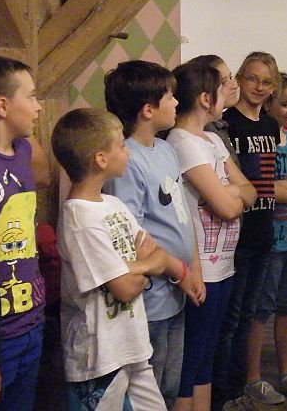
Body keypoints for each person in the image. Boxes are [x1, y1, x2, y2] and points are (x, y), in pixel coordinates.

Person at [52, 108, 187, 410]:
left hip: (131, 345)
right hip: (99, 357)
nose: (128, 152)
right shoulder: (80, 217)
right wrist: (146, 266)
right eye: (122, 146)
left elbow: (157, 255)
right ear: (101, 159)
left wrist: (135, 267)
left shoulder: (113, 204)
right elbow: (124, 288)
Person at [102, 60, 204, 408]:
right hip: (152, 299)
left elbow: (181, 217)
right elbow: (134, 234)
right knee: (150, 390)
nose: (177, 102)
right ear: (148, 110)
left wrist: (194, 269)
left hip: (177, 291)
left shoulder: (166, 150)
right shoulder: (127, 160)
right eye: (170, 96)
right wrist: (178, 272)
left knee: (170, 386)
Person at [167, 62, 256, 411]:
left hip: (224, 266)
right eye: (225, 84)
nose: (231, 89)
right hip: (199, 268)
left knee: (206, 357)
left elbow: (250, 192)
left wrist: (229, 192)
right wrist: (230, 193)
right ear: (206, 98)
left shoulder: (214, 140)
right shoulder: (181, 142)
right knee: (190, 361)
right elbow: (228, 207)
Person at [237, 74, 287, 405]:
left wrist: (286, 188)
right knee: (261, 307)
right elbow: (261, 188)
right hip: (270, 236)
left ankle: (286, 373)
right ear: (270, 104)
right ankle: (253, 377)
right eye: (284, 104)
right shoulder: (263, 141)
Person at [213, 52, 280, 407]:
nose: (258, 87)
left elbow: (270, 181)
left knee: (250, 317)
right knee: (230, 318)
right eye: (252, 78)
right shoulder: (228, 124)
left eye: (266, 82)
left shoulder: (270, 125)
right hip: (236, 232)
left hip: (263, 231)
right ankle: (222, 393)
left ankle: (240, 389)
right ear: (240, 78)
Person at [0, 55, 45, 411]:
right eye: (31, 96)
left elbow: (44, 176)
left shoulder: (23, 151)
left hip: (31, 319)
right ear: (2, 106)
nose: (39, 107)